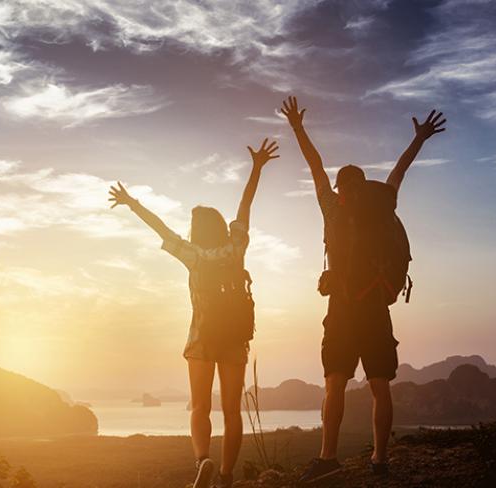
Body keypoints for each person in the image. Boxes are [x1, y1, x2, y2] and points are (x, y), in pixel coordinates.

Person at [279, 96, 446, 484]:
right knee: (379, 386)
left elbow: (314, 165)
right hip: (374, 304)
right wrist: (419, 138)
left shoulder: (332, 208)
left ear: (339, 188)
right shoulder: (382, 202)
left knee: (335, 381)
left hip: (341, 307)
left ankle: (327, 457)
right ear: (363, 184)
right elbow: (399, 172)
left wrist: (298, 128)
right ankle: (380, 459)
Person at [108, 138, 280, 488]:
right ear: (220, 226)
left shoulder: (192, 254)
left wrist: (130, 203)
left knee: (199, 407)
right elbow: (245, 207)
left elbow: (158, 226)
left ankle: (203, 461)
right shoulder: (235, 248)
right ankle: (227, 478)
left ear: (196, 230)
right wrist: (257, 168)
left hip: (201, 336)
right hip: (234, 336)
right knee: (232, 412)